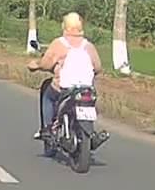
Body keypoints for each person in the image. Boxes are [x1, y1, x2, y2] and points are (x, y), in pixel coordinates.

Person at [28, 12, 103, 140]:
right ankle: (91, 134)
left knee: (48, 95)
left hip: (64, 88)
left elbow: (46, 64)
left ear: (65, 27)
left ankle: (48, 128)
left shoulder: (59, 43)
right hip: (86, 90)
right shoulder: (89, 46)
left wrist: (35, 65)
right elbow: (98, 68)